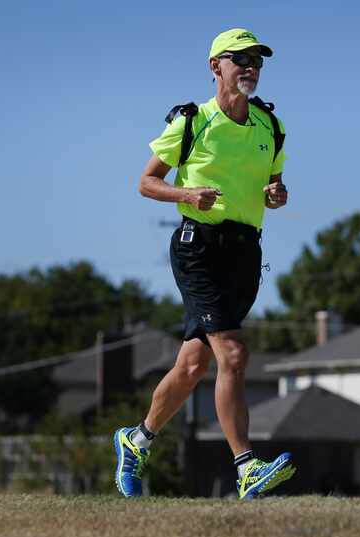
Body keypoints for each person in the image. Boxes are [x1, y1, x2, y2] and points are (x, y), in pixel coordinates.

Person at [114, 28, 295, 500]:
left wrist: (277, 196)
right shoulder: (193, 121)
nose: (251, 66)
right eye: (241, 59)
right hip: (198, 248)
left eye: (257, 60)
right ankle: (246, 467)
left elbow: (275, 188)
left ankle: (137, 440)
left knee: (194, 365)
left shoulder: (270, 126)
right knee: (232, 354)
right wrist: (186, 193)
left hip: (245, 252)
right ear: (216, 66)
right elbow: (146, 183)